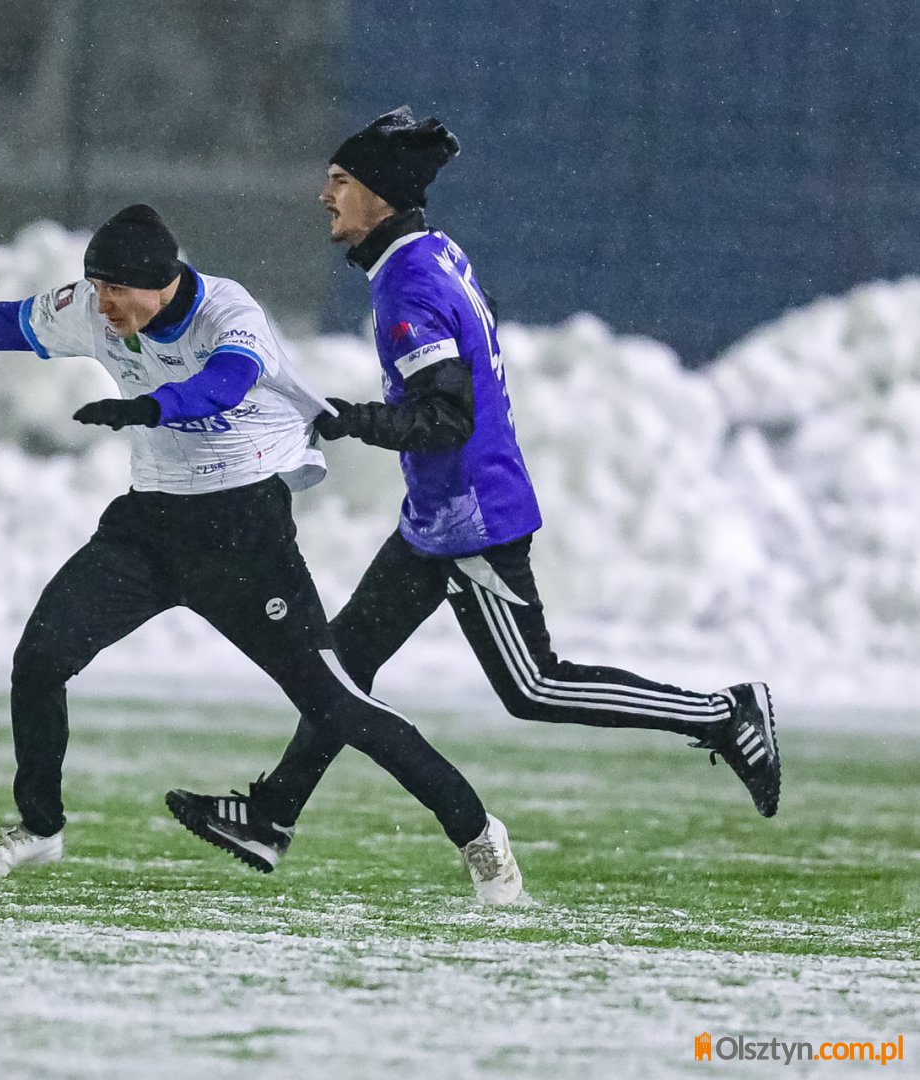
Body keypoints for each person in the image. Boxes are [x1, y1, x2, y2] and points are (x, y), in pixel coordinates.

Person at [0, 203, 526, 903]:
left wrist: (150, 408)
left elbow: (223, 383)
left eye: (119, 291)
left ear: (164, 281)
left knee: (336, 706)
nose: (104, 305)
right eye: (97, 287)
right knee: (41, 659)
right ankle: (39, 825)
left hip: (245, 535)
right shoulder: (91, 307)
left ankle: (479, 834)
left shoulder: (229, 312)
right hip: (147, 530)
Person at [164, 108, 781, 874]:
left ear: (380, 197)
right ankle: (271, 817)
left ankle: (723, 714)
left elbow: (446, 417)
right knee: (343, 668)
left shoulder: (407, 285)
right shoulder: (427, 252)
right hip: (440, 516)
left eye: (341, 182)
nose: (325, 197)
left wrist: (348, 418)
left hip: (471, 522)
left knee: (534, 687)